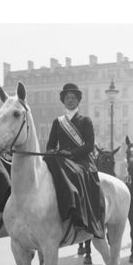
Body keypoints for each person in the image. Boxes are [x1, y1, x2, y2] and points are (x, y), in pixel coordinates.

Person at [44, 83, 105, 239]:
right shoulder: (58, 122)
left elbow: (89, 146)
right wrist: (55, 152)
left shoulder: (85, 121)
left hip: (82, 160)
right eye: (67, 98)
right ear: (63, 100)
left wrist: (70, 154)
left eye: (73, 98)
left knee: (76, 173)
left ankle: (78, 213)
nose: (69, 100)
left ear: (78, 101)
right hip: (61, 159)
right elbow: (50, 145)